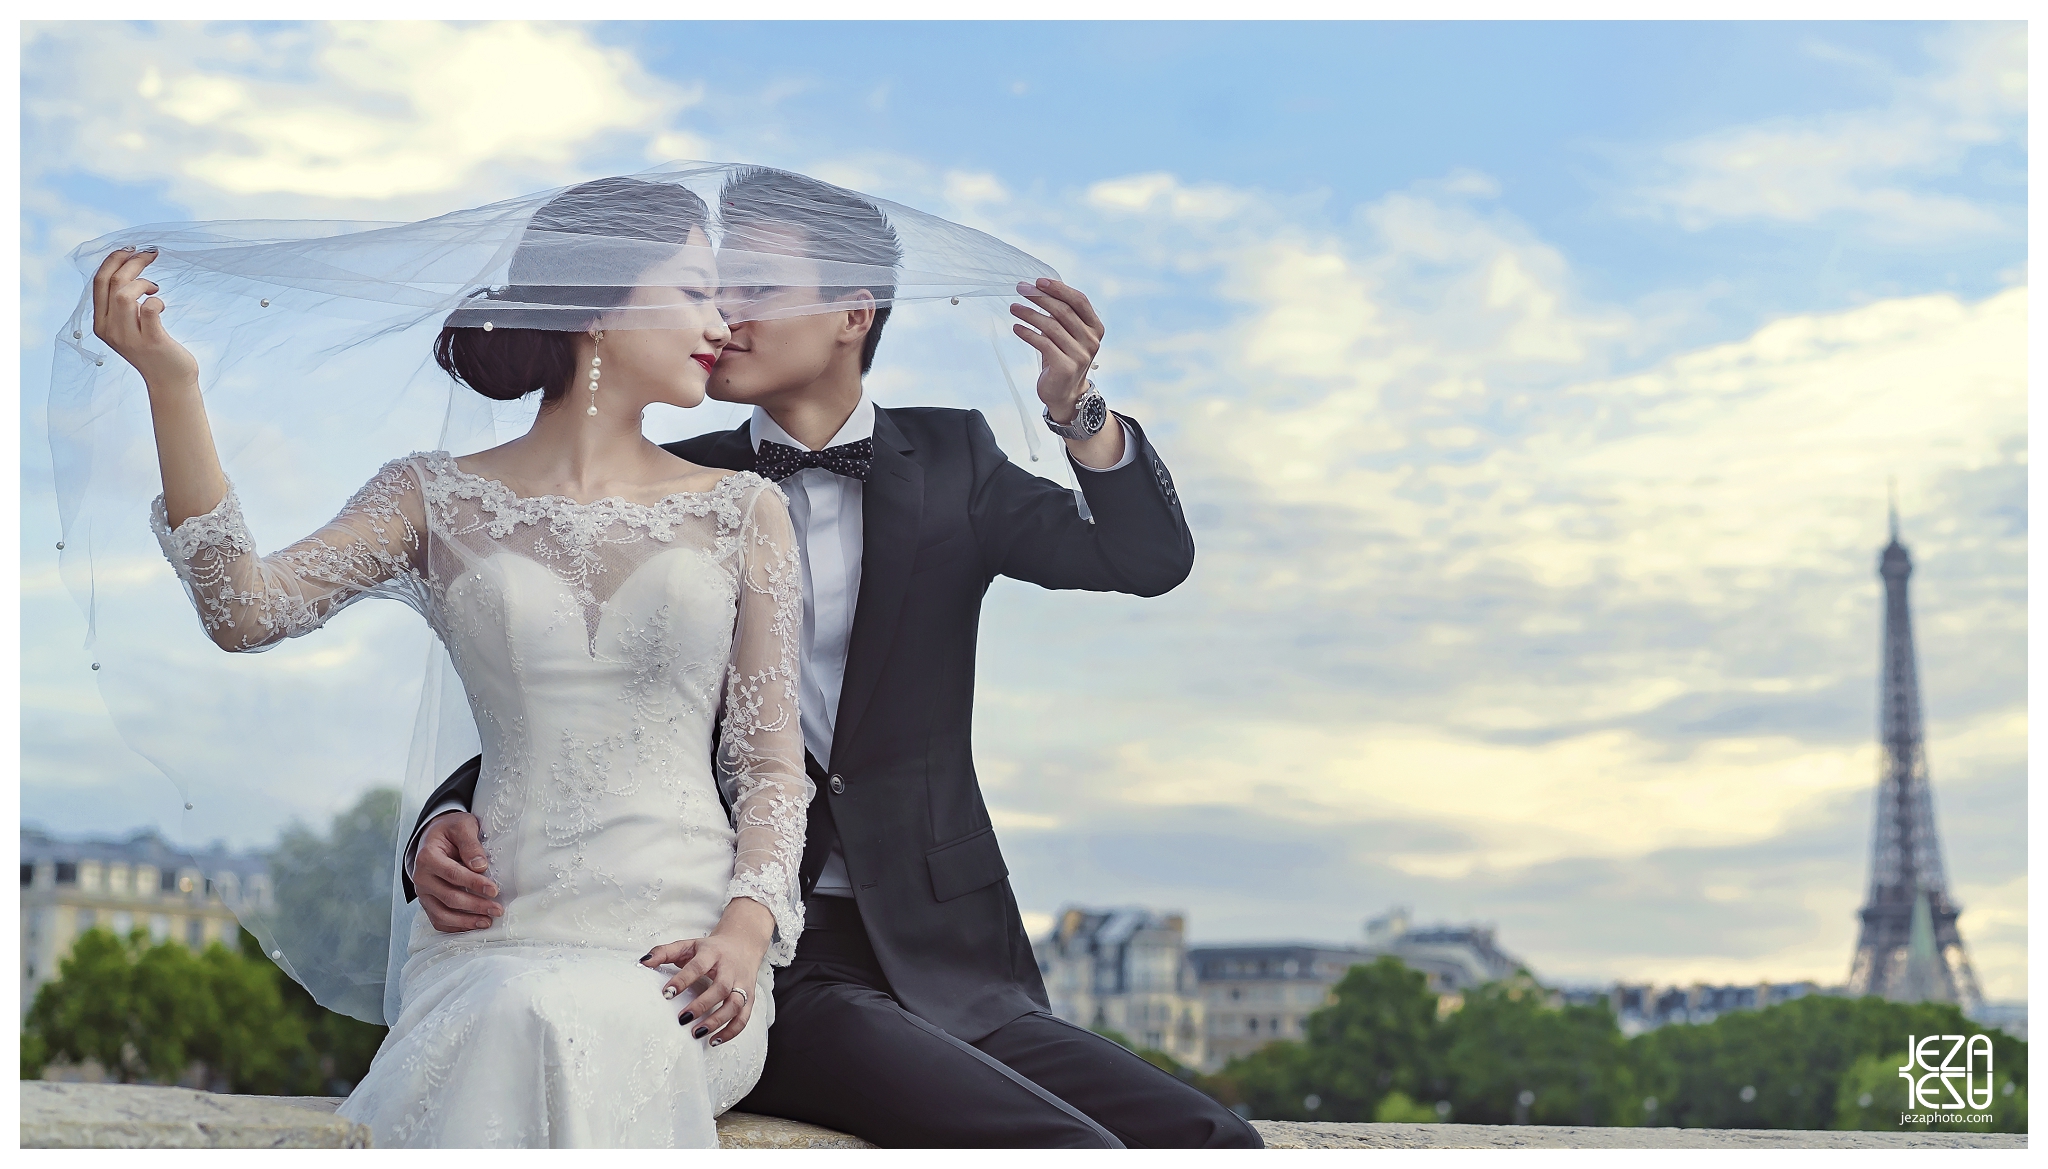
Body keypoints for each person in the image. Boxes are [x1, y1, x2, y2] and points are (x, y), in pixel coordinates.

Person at [408, 167, 1261, 1148]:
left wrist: (1078, 413)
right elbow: (568, 685)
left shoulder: (954, 461)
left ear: (852, 310)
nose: (721, 314)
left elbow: (1145, 558)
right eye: (711, 289)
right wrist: (442, 818)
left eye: (755, 289)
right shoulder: (679, 486)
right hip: (753, 943)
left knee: (1211, 1139)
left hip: (950, 953)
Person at [91, 177, 811, 1147]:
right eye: (693, 291)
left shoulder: (742, 509)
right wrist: (172, 387)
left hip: (685, 960)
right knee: (521, 1009)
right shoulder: (429, 496)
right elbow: (243, 610)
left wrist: (745, 929)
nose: (722, 322)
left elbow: (769, 767)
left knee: (555, 1020)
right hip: (492, 942)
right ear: (596, 305)